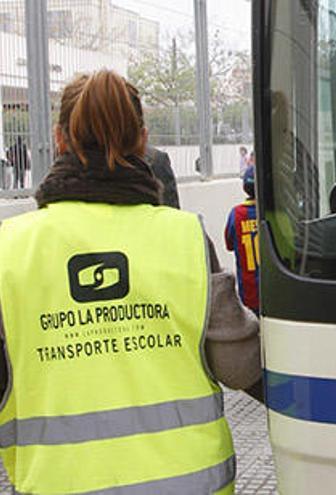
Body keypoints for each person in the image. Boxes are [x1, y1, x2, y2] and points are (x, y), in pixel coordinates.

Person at [0, 71, 261, 494]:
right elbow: (240, 365)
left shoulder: (9, 250)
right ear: (141, 140)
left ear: (60, 139)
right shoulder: (186, 238)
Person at [225, 165, 260, 313]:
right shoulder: (275, 214)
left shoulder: (236, 214)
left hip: (249, 293)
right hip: (275, 292)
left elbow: (229, 244)